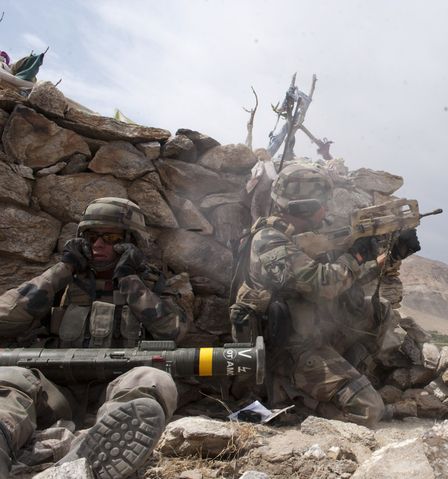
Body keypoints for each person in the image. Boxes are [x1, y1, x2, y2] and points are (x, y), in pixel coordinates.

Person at [0, 197, 187, 479]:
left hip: (114, 390)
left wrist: (129, 280)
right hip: (58, 394)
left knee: (153, 379)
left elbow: (173, 330)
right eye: (91, 237)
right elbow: (4, 319)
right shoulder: (63, 282)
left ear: (131, 243)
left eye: (110, 237)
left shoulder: (154, 285)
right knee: (12, 378)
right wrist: (63, 270)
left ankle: (96, 453)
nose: (98, 245)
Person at [230, 163, 420, 427]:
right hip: (290, 351)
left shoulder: (307, 237)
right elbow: (324, 283)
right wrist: (355, 255)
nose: (326, 210)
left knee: (378, 310)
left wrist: (389, 256)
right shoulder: (268, 241)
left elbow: (344, 280)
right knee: (369, 411)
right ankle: (290, 398)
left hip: (316, 333)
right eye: (322, 204)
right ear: (302, 207)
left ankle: (348, 382)